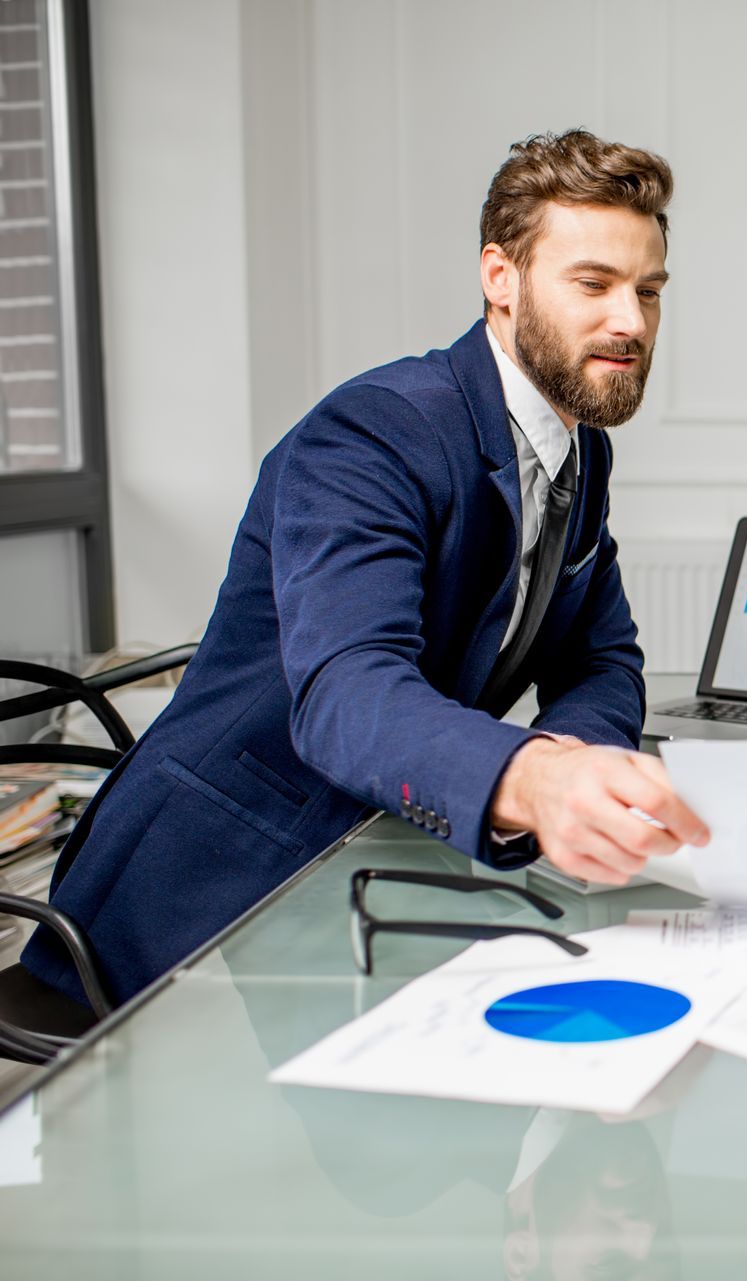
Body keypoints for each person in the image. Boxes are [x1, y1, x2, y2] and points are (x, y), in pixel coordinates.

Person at [22, 130, 708, 1011]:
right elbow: (348, 686)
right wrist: (533, 780)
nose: (632, 321)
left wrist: (574, 760)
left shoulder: (580, 450)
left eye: (648, 290)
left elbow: (600, 657)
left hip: (385, 866)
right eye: (594, 284)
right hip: (206, 906)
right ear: (500, 278)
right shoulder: (374, 432)